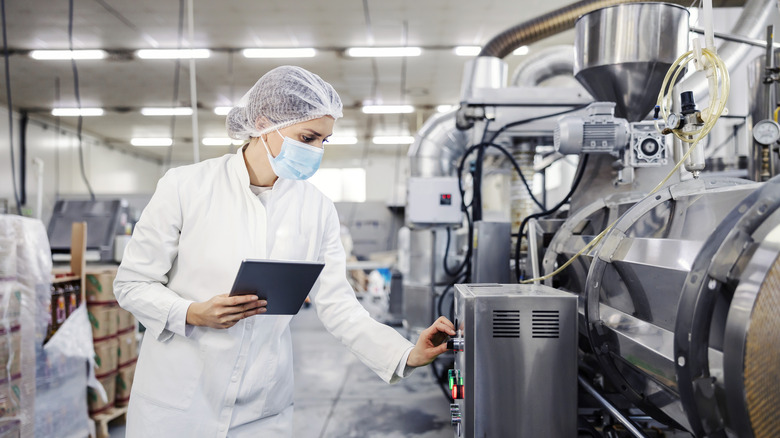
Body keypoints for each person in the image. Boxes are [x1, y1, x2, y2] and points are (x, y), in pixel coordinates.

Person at [113, 65, 455, 437]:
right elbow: (132, 284)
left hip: (261, 408)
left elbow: (339, 305)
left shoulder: (317, 208)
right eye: (307, 137)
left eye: (324, 141)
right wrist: (192, 312)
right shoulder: (186, 187)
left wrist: (404, 353)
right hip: (179, 404)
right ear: (264, 124)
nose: (316, 151)